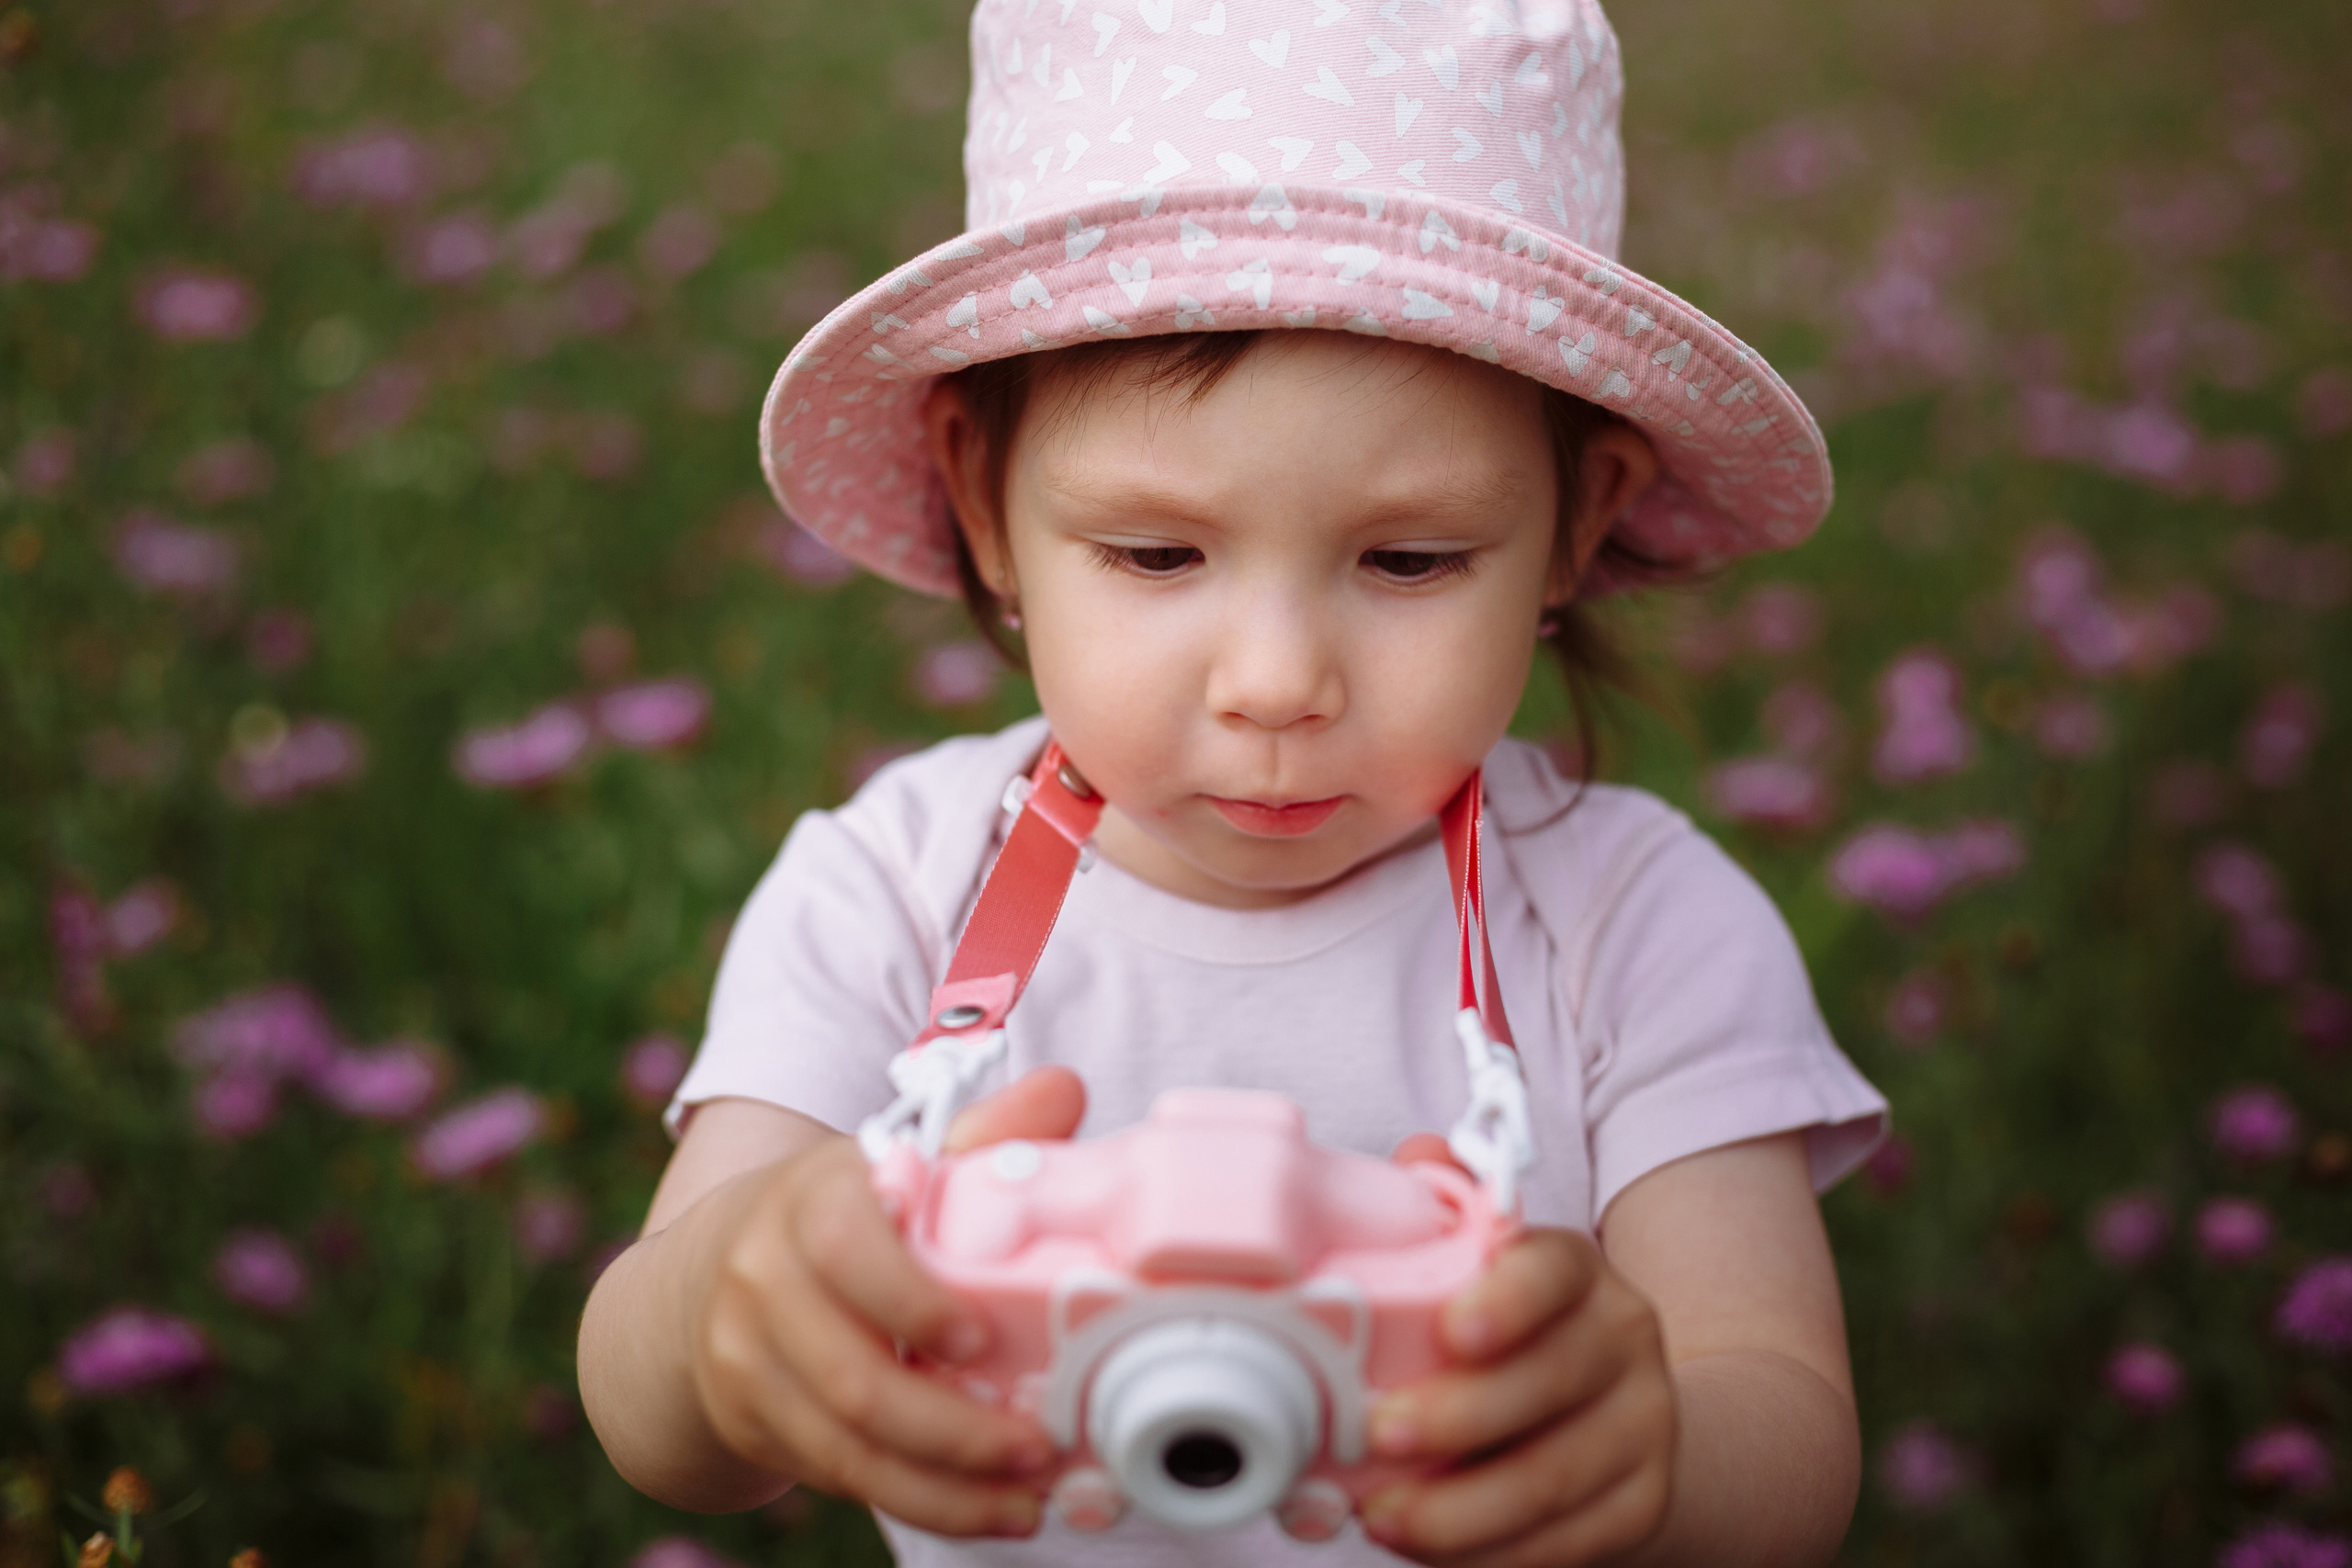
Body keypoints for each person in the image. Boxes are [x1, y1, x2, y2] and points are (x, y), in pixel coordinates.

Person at [579, 1, 1888, 1563]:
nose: (1276, 682)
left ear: (1577, 523)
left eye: (1411, 560)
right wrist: (730, 1302)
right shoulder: (889, 889)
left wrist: (1647, 1454)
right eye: (1155, 554)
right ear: (983, 502)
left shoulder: (1638, 927)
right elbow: (653, 1422)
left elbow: (1783, 1433)